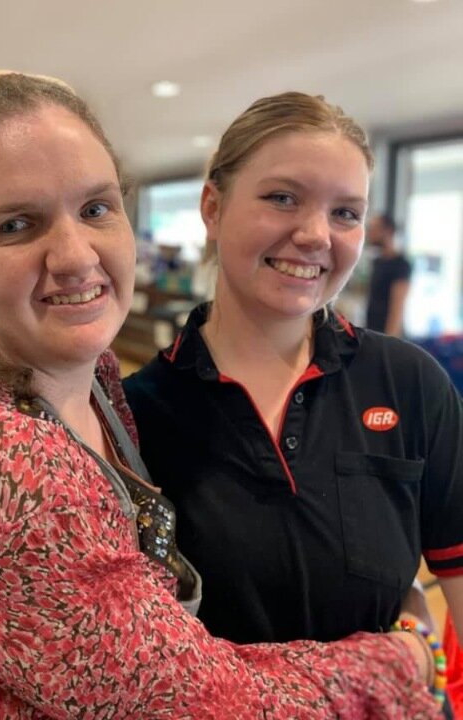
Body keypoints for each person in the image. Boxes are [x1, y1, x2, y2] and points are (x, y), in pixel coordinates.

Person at [0, 73, 441, 719]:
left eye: (95, 209)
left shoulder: (97, 387)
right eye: (16, 225)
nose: (75, 256)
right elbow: (207, 705)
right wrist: (408, 657)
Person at [123, 91, 463, 710]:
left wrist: (426, 655)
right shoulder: (137, 416)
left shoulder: (409, 383)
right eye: (282, 197)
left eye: (345, 212)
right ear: (212, 207)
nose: (314, 235)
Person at [365, 212, 412, 336]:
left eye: (374, 229)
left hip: (388, 336)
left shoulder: (401, 264)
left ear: (388, 231)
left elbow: (397, 309)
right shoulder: (377, 262)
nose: (370, 233)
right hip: (372, 333)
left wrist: (389, 342)